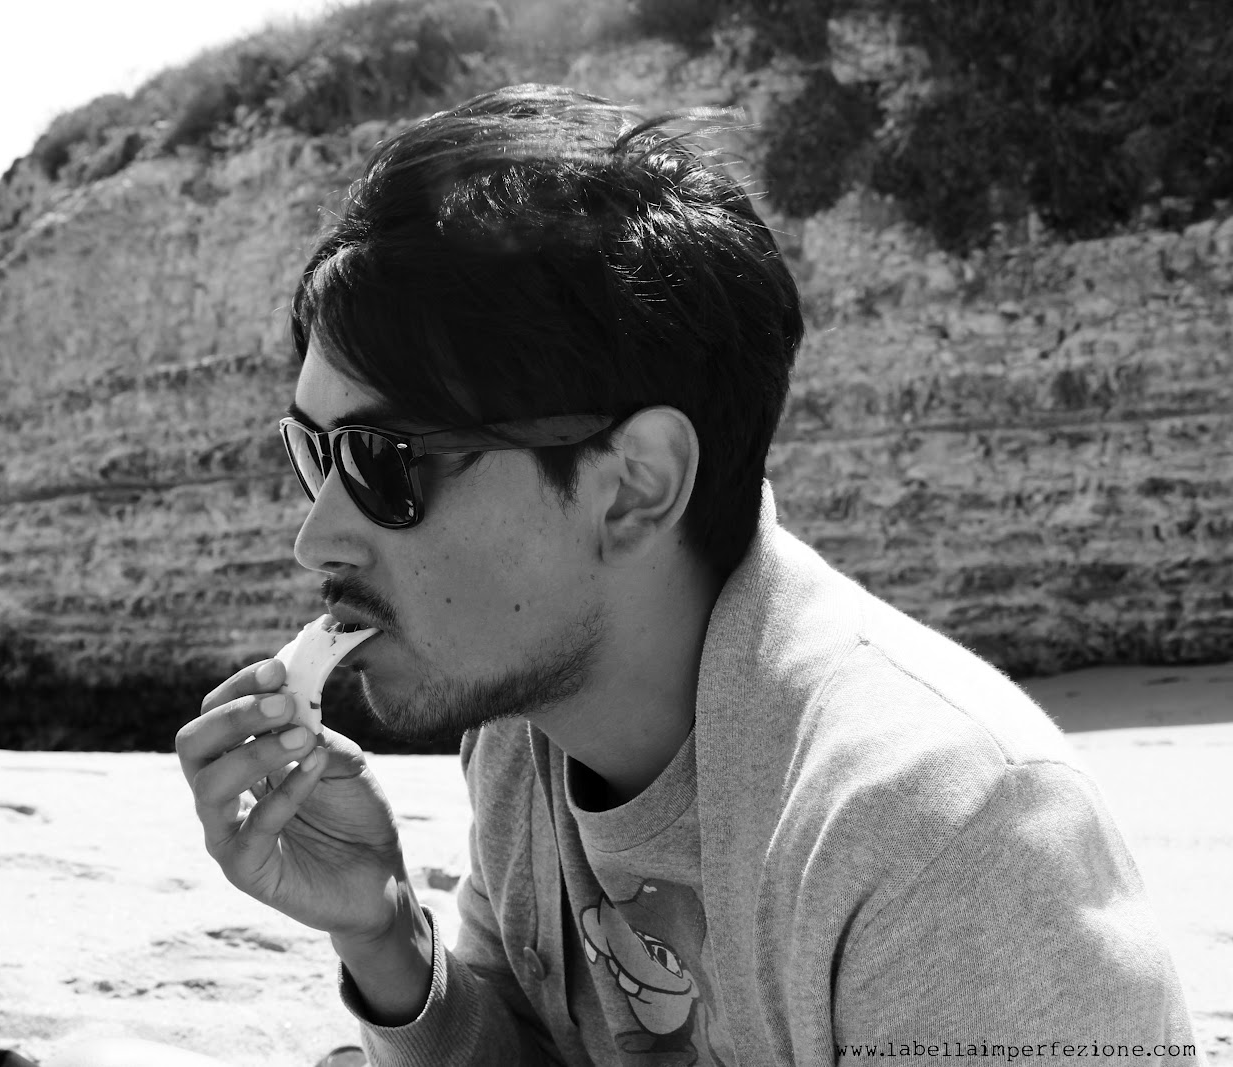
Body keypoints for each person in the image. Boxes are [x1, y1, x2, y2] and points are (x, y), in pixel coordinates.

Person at [193, 83, 1202, 1065]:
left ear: (634, 486)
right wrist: (387, 940)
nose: (315, 538)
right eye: (314, 454)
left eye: (382, 462)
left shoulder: (944, 846)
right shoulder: (520, 739)